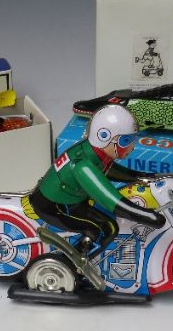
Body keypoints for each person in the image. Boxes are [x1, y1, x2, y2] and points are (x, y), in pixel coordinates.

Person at [28, 105, 164, 256]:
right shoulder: (83, 166)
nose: (131, 147)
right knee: (107, 229)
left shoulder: (94, 152)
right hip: (55, 205)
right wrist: (147, 216)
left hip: (71, 198)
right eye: (126, 141)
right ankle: (74, 263)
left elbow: (108, 169)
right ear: (104, 137)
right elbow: (111, 200)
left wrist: (140, 176)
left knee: (104, 214)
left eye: (133, 140)